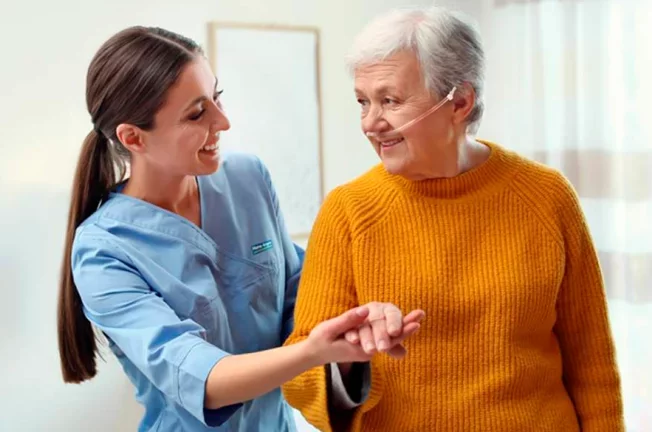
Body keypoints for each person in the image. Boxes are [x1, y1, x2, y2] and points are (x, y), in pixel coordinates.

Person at [56, 26, 423, 431]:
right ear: (133, 138)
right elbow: (203, 381)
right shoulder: (104, 250)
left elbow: (299, 299)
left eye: (217, 97)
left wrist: (351, 326)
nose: (223, 121)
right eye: (197, 114)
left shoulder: (248, 179)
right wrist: (313, 351)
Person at [282, 7, 624, 432]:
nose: (370, 123)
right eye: (363, 102)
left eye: (390, 101)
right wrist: (348, 359)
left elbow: (592, 363)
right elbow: (301, 376)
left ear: (460, 102)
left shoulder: (547, 196)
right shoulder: (347, 210)